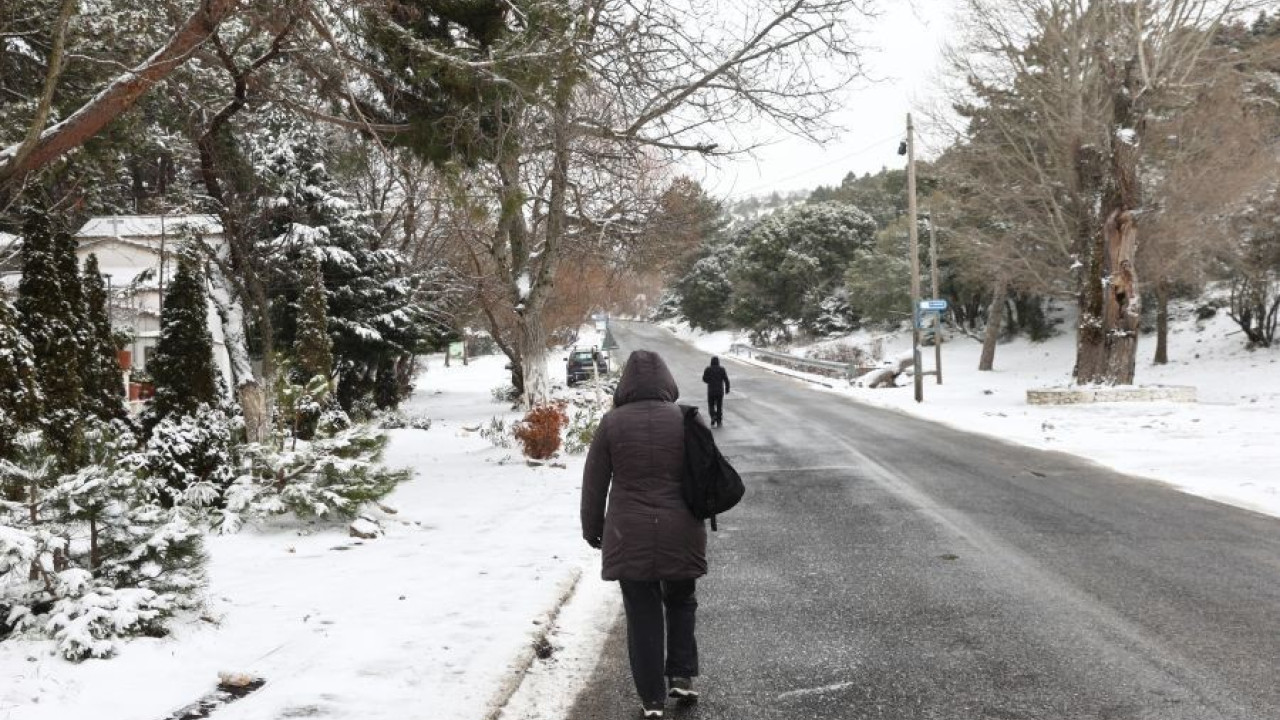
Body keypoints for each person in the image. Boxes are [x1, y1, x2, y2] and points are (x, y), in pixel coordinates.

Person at [581, 350, 707, 719]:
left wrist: (593, 529)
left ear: (626, 385)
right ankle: (681, 675)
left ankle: (652, 698)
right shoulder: (686, 419)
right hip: (681, 528)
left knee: (642, 612)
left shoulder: (612, 423)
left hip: (628, 531)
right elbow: (704, 473)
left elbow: (594, 483)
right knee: (682, 600)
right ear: (667, 381)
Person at [701, 356, 730, 427]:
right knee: (719, 406)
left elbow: (704, 379)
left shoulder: (708, 369)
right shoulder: (722, 369)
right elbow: (726, 380)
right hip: (720, 391)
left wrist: (709, 381)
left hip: (711, 391)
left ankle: (713, 415)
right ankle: (719, 421)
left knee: (711, 405)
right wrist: (727, 389)